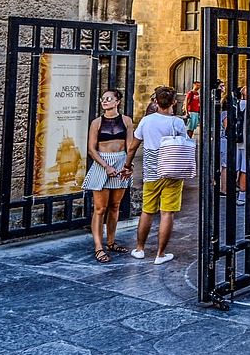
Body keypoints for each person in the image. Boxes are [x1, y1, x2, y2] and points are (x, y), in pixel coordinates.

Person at [127, 87, 189, 264]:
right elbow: (183, 145)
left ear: (155, 101)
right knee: (167, 213)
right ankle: (160, 254)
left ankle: (140, 249)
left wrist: (127, 164)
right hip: (172, 171)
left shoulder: (146, 121)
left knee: (147, 211)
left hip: (151, 172)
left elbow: (133, 146)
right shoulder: (177, 123)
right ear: (174, 103)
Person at [81, 88, 134, 262]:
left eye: (109, 98)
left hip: (120, 162)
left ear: (117, 101)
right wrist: (106, 166)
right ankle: (98, 246)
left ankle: (111, 242)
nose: (105, 101)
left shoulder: (126, 121)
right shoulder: (97, 122)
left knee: (115, 205)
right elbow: (91, 149)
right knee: (100, 208)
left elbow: (130, 145)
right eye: (103, 99)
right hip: (102, 163)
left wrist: (128, 164)